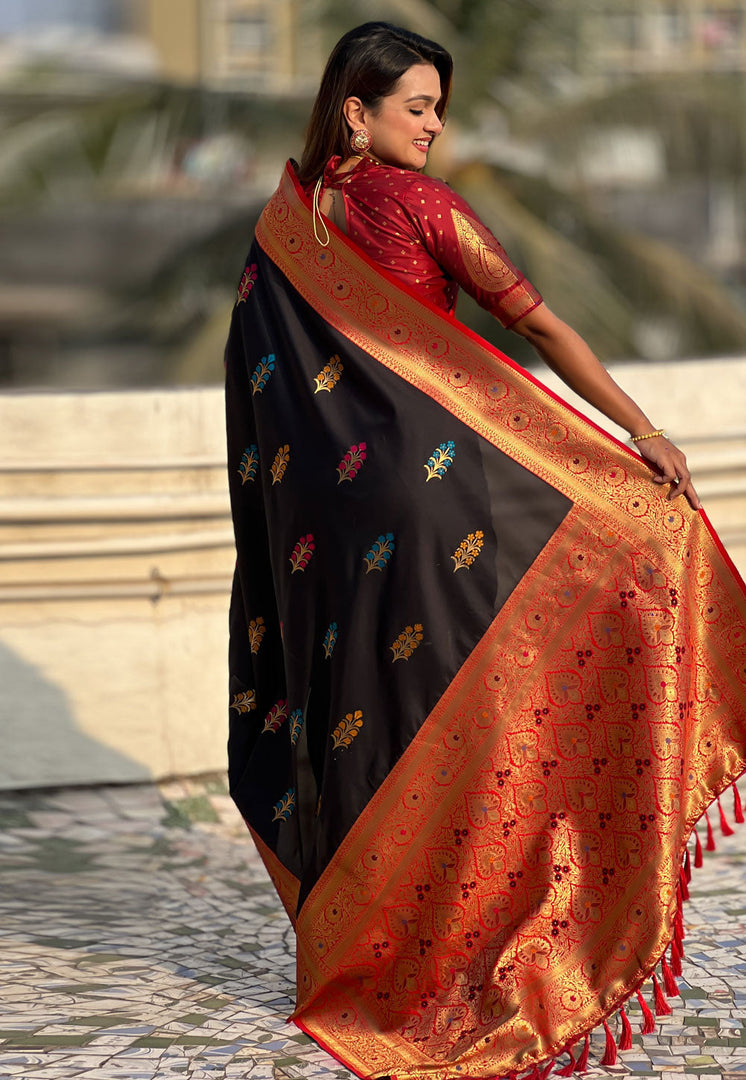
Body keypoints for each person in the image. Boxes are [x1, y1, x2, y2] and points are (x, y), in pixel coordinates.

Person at [224, 22, 746, 1080]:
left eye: (437, 106)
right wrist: (640, 432)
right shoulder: (424, 208)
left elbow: (260, 395)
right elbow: (539, 327)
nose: (433, 126)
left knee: (374, 727)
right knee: (486, 709)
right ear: (353, 112)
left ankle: (368, 964)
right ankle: (478, 960)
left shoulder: (288, 228)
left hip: (337, 534)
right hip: (440, 510)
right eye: (414, 106)